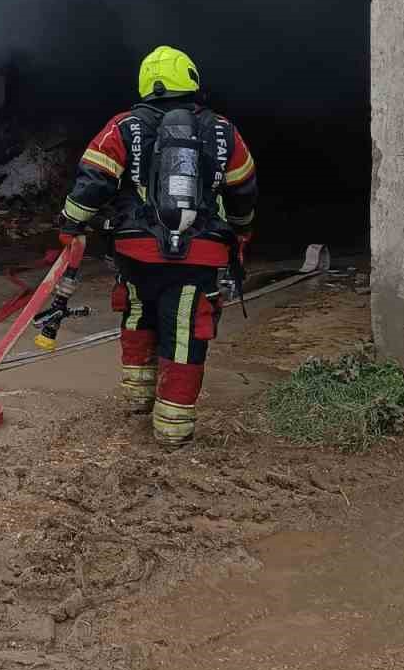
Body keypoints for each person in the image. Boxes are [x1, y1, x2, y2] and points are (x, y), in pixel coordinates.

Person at [57, 46, 257, 448]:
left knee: (137, 314)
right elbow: (243, 190)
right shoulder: (223, 131)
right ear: (192, 80)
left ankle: (136, 401)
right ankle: (172, 430)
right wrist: (240, 232)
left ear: (147, 86)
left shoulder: (123, 127)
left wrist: (71, 224)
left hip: (136, 253)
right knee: (184, 329)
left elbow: (93, 179)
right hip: (198, 256)